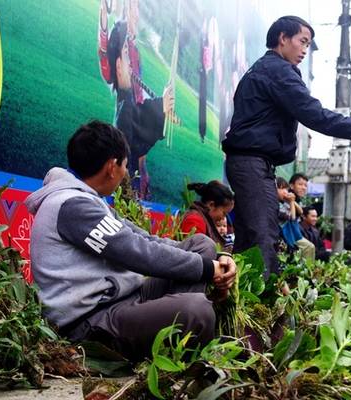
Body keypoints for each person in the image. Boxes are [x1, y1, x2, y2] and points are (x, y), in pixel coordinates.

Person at [25, 121, 236, 360]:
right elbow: (137, 252)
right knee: (197, 311)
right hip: (91, 323)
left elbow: (141, 237)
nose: (126, 173)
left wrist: (218, 259)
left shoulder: (88, 199)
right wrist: (208, 270)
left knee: (202, 245)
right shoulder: (72, 206)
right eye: (125, 165)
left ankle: (171, 345)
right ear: (111, 166)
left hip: (126, 298)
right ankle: (174, 354)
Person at [222, 16, 351, 276]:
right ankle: (266, 306)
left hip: (250, 163)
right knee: (262, 238)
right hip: (250, 163)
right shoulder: (278, 70)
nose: (304, 50)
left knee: (249, 239)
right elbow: (314, 114)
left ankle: (237, 303)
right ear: (282, 38)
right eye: (302, 42)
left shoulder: (264, 69)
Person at [105, 17, 174, 198]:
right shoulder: (124, 107)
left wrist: (162, 106)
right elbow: (135, 143)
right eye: (126, 53)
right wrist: (161, 107)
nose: (131, 65)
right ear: (119, 65)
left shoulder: (127, 103)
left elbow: (139, 119)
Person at [181, 181, 234, 252]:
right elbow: (194, 253)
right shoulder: (195, 221)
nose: (223, 218)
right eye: (224, 213)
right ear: (211, 205)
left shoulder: (205, 219)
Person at [276, 177, 315, 265]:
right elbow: (292, 217)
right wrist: (291, 202)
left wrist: (292, 201)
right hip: (285, 236)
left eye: (305, 185)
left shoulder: (286, 199)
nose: (303, 188)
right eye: (300, 184)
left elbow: (300, 211)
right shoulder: (278, 204)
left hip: (291, 235)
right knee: (308, 247)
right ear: (292, 186)